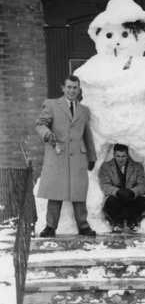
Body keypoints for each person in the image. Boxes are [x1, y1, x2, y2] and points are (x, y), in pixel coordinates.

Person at [36, 75, 97, 237]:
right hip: (58, 155)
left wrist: (91, 156)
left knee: (79, 193)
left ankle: (83, 226)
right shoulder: (51, 105)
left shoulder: (84, 111)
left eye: (75, 87)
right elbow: (40, 124)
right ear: (63, 88)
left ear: (79, 90)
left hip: (78, 157)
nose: (72, 90)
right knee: (55, 194)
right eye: (69, 87)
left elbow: (87, 135)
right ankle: (50, 227)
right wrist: (48, 134)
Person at [98, 143, 145, 232]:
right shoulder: (106, 167)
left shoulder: (137, 167)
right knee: (110, 202)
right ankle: (119, 221)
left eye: (123, 156)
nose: (120, 159)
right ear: (113, 155)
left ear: (127, 155)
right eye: (118, 156)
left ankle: (129, 219)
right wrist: (117, 192)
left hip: (131, 198)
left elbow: (142, 184)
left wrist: (133, 192)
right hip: (116, 198)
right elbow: (104, 185)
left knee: (144, 201)